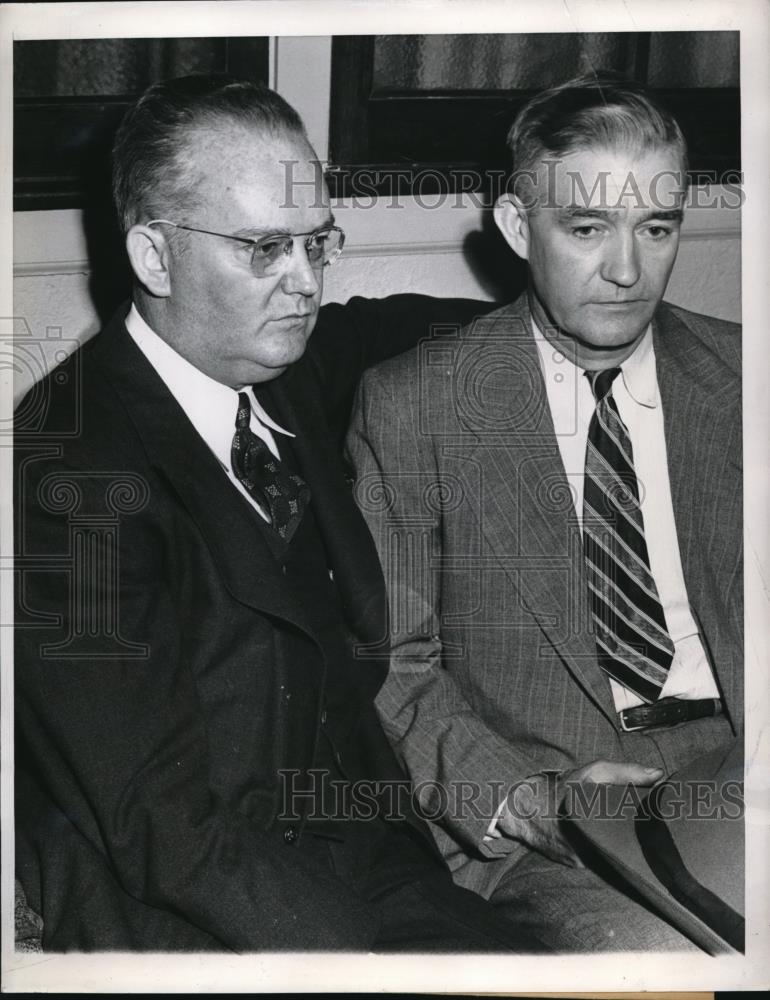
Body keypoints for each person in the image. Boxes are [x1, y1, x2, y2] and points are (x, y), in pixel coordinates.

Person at [13, 74, 542, 953]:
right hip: (186, 901)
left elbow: (391, 326)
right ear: (153, 256)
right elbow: (159, 827)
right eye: (264, 249)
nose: (304, 283)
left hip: (359, 849)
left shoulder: (281, 367)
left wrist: (576, 312)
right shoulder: (68, 478)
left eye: (317, 243)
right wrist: (356, 962)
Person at [348, 74, 742, 951]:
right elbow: (393, 670)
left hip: (743, 768)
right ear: (520, 228)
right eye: (588, 228)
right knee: (683, 962)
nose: (628, 270)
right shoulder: (414, 408)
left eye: (658, 227)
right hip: (561, 819)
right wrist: (532, 799)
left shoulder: (745, 381)